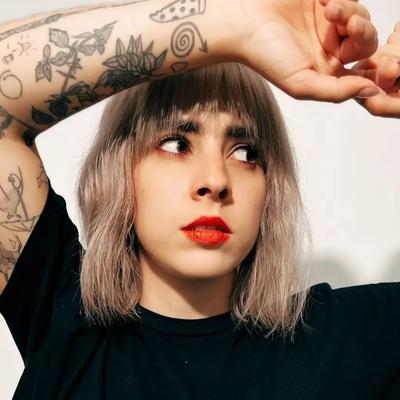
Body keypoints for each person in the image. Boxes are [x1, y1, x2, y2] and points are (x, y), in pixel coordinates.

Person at [0, 0, 399, 399]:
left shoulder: (347, 341)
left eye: (245, 152)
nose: (215, 181)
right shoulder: (63, 324)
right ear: (121, 170)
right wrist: (240, 24)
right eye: (177, 144)